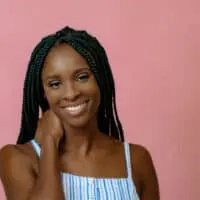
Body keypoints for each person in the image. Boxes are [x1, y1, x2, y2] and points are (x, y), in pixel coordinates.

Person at [0, 26, 159, 200]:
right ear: (43, 92)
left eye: (82, 77)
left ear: (100, 79)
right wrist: (49, 142)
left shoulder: (136, 160)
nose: (71, 93)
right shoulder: (17, 159)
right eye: (55, 84)